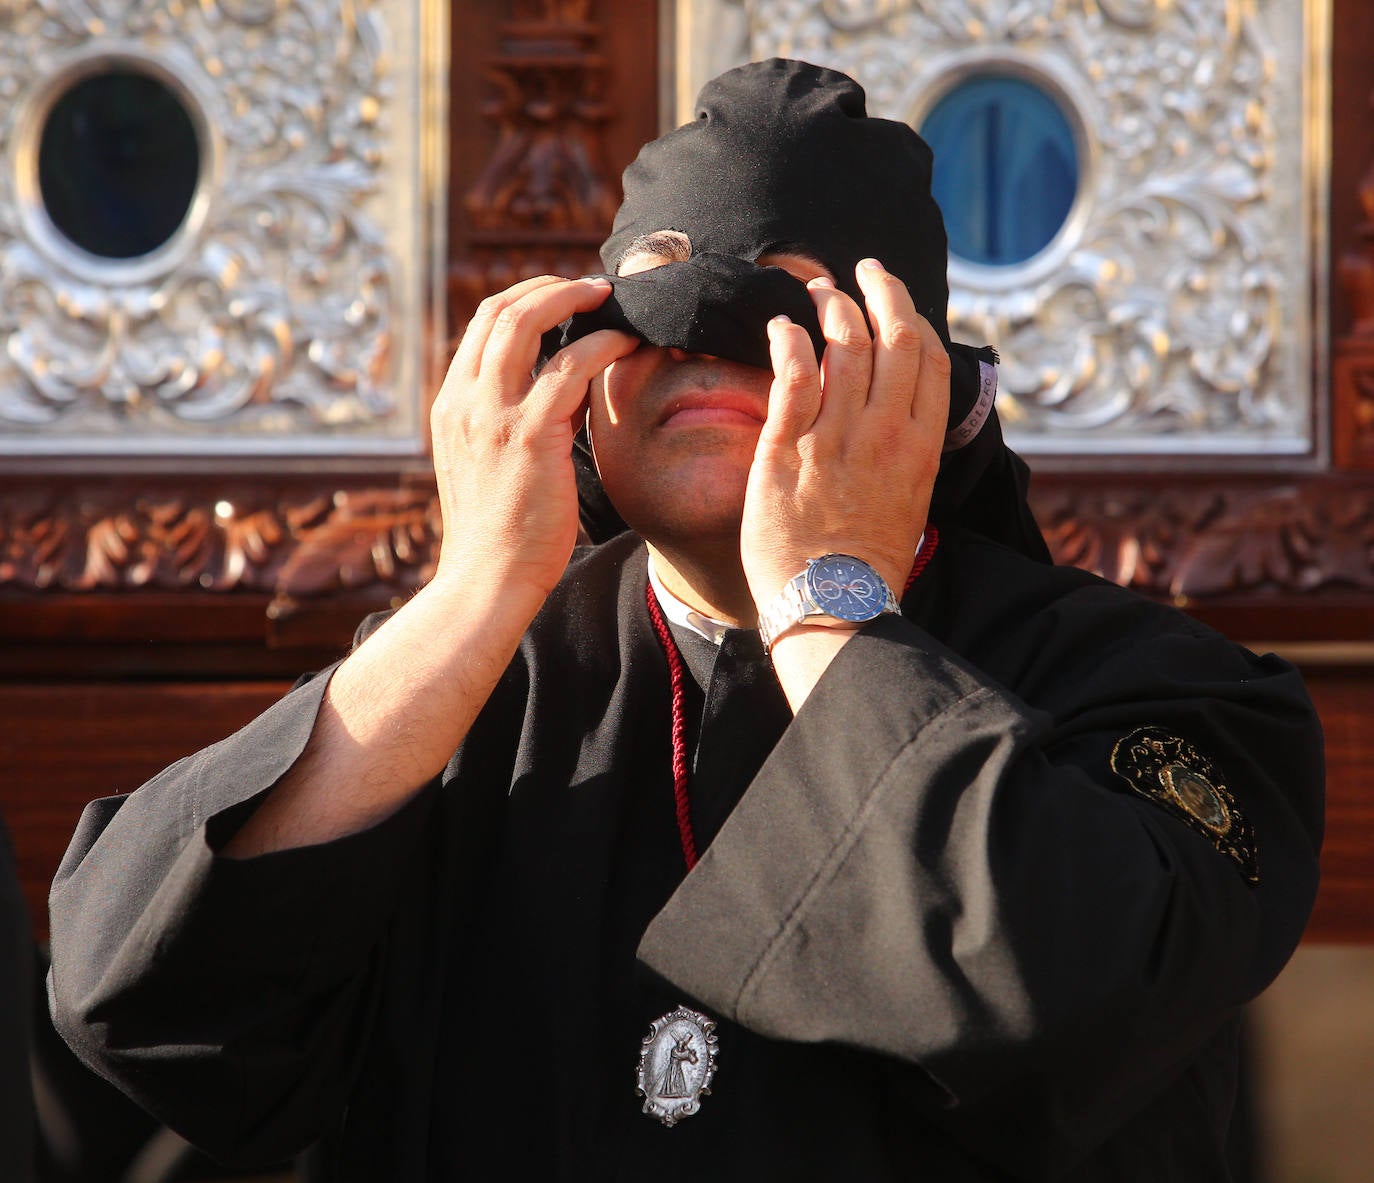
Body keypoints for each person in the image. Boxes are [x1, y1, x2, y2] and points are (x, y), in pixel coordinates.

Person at [47, 59, 1323, 1181]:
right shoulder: (465, 688)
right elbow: (138, 1001)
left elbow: (1064, 982)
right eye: (653, 306)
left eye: (789, 310)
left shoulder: (1163, 694)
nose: (710, 347)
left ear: (917, 386)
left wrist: (828, 595)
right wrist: (472, 594)